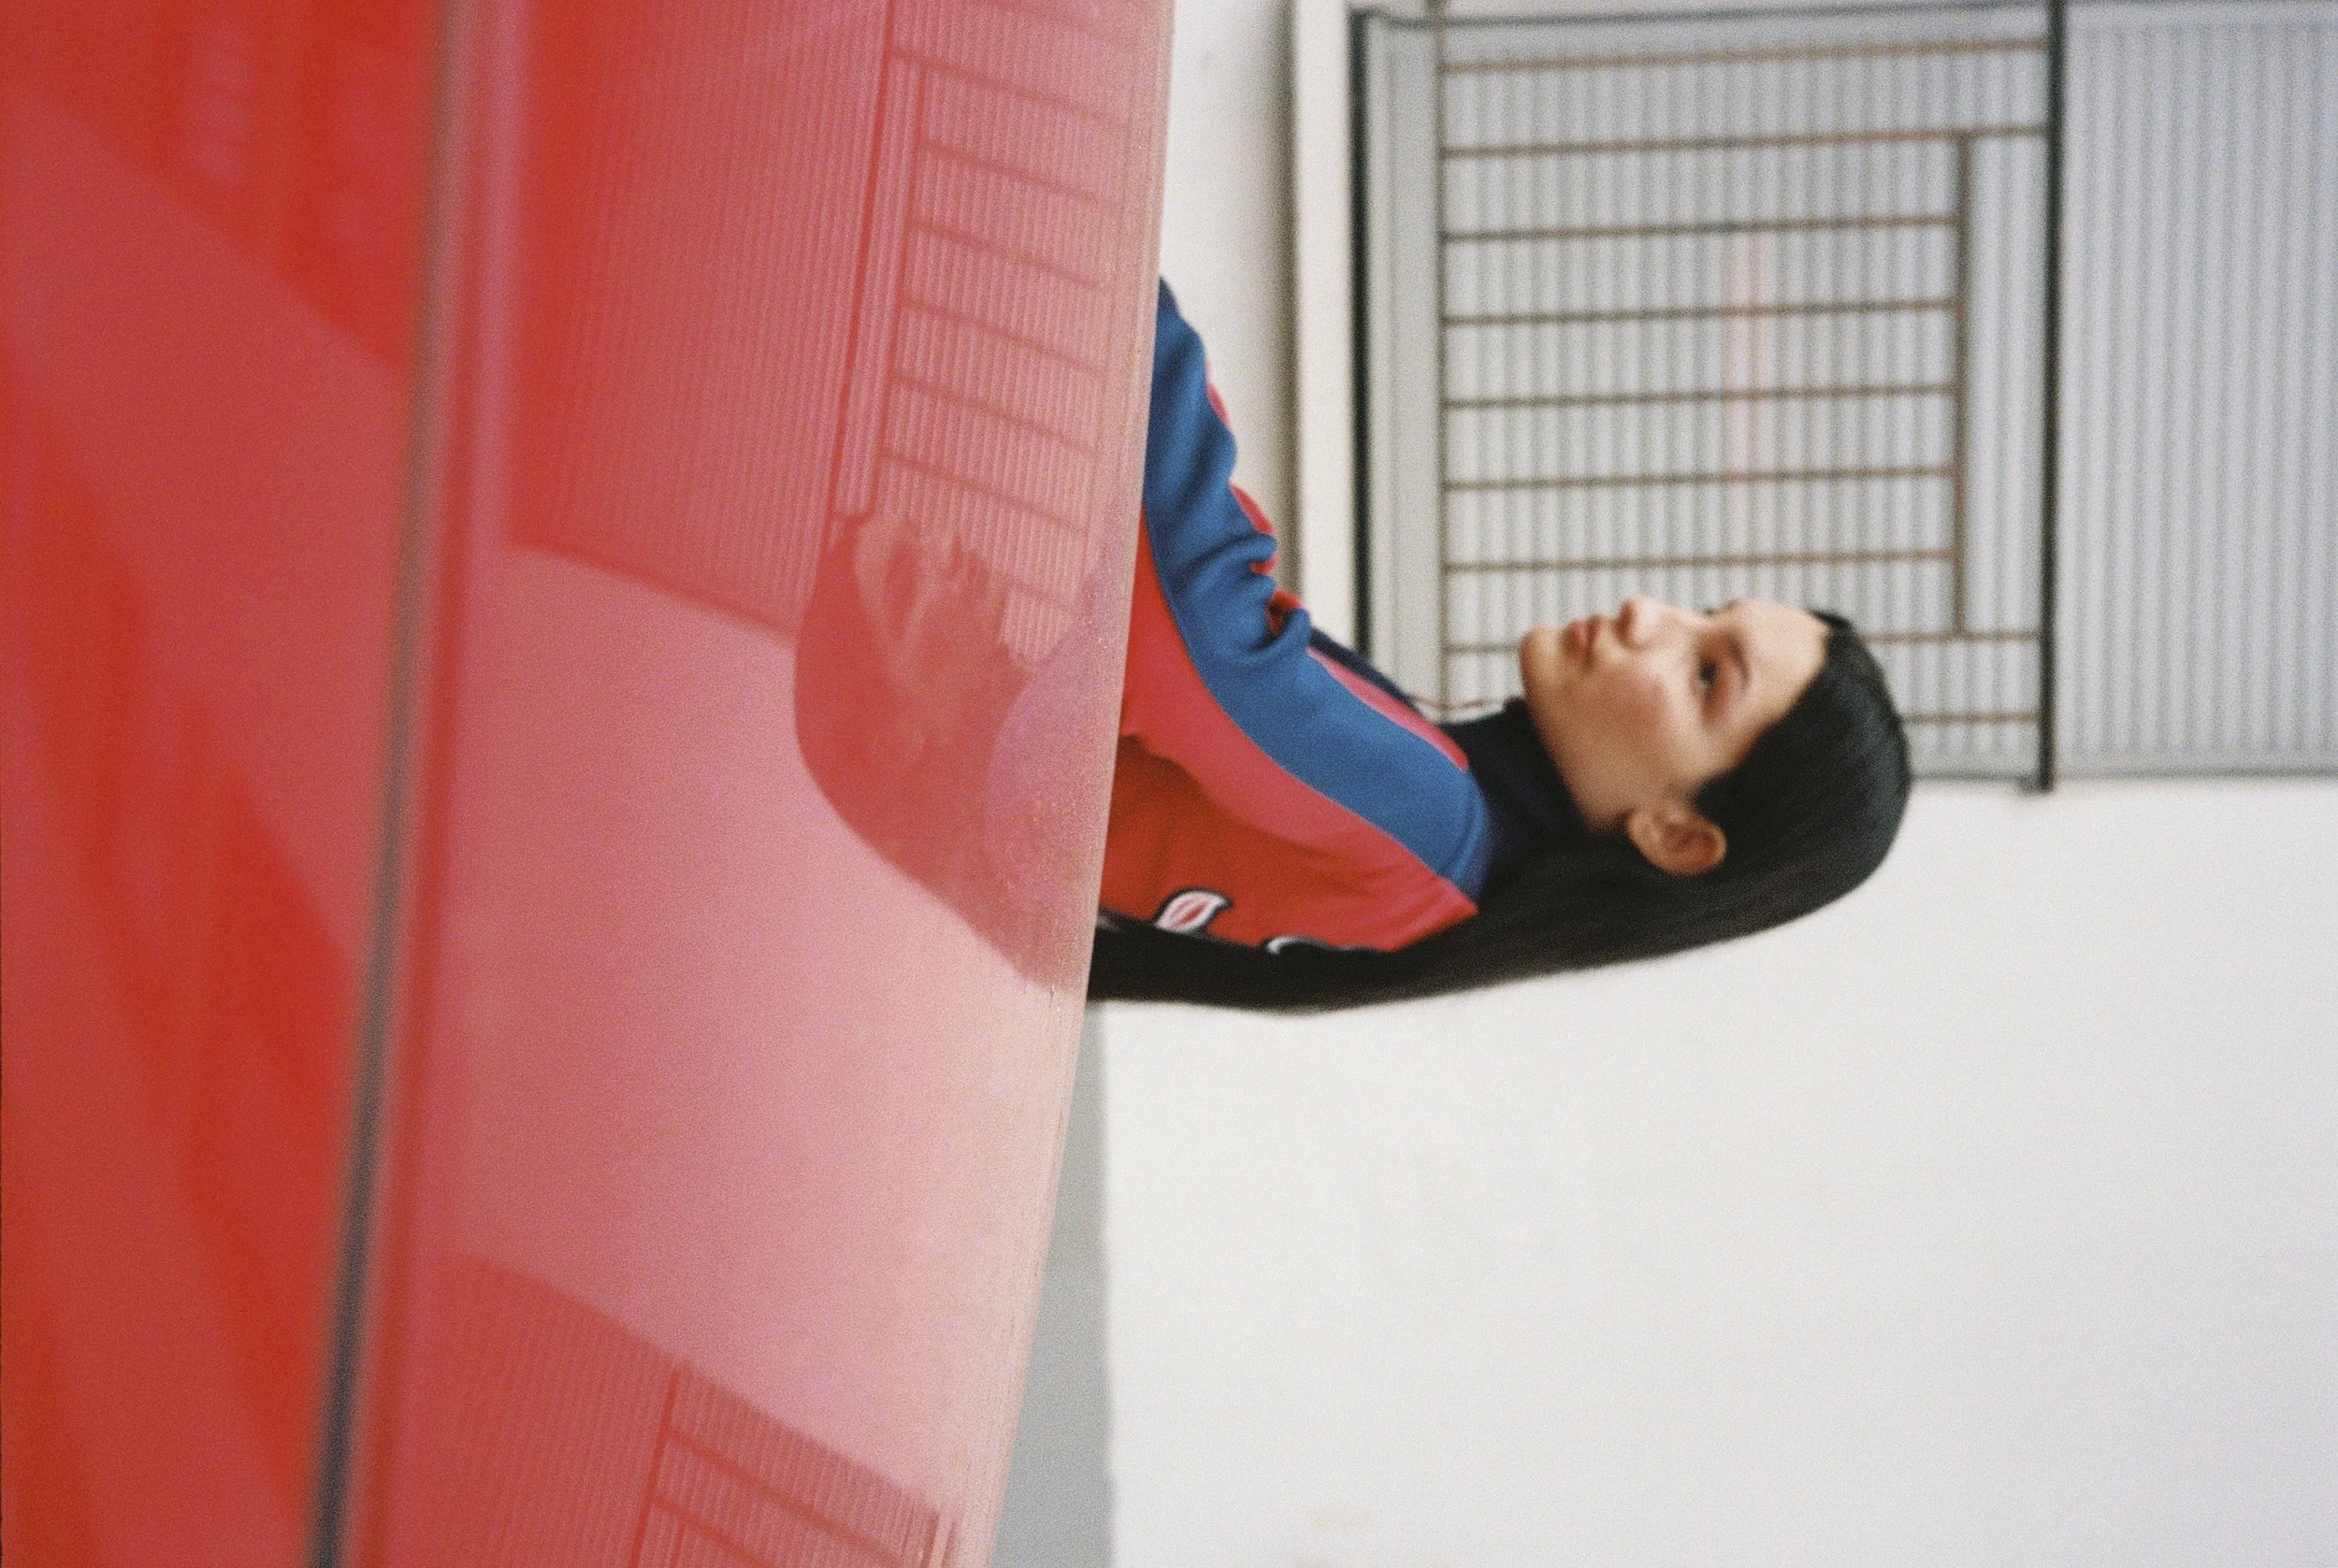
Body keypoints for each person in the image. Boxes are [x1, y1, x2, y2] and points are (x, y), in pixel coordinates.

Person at [1090, 282, 1912, 1010]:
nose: (1646, 612)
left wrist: (1122, 266)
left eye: (1705, 674)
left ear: (1676, 835)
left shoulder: (1429, 826)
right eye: (1703, 612)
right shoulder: (1437, 861)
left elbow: (1202, 642)